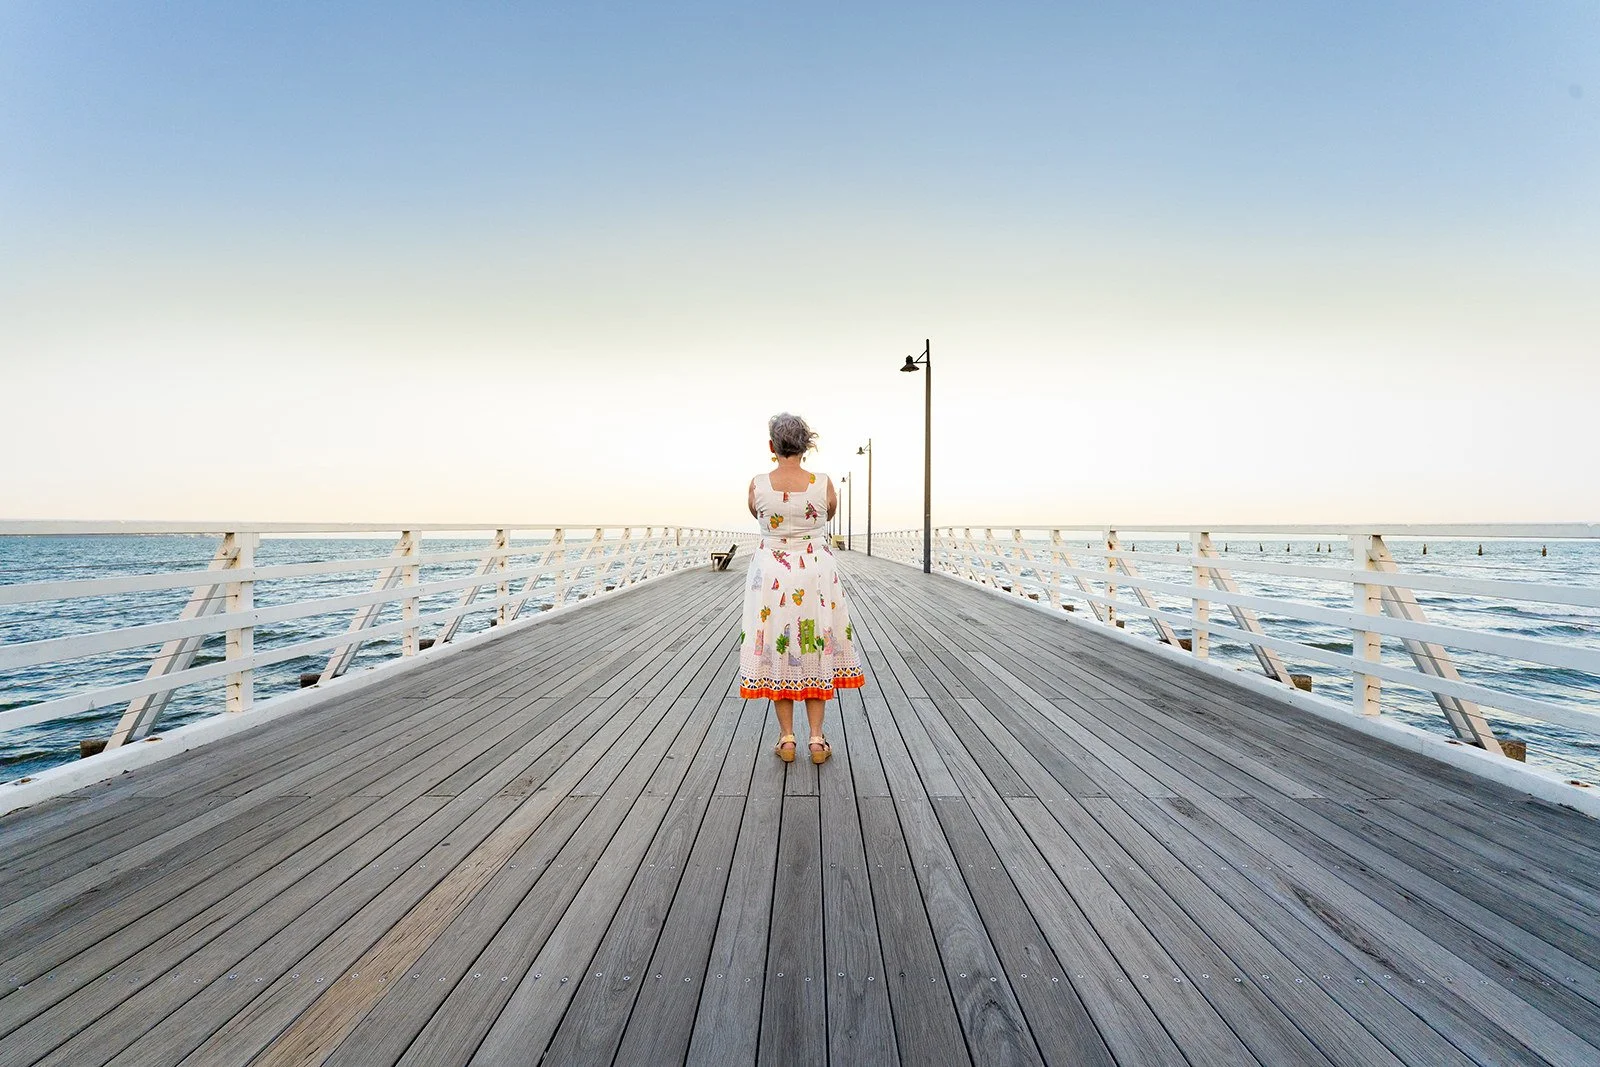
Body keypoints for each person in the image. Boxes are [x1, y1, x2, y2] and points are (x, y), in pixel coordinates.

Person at [738, 413, 866, 764]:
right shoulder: (822, 483)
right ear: (806, 446)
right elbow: (829, 512)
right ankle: (817, 739)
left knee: (780, 644)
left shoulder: (758, 485)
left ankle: (787, 737)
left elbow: (757, 515)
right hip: (815, 572)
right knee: (814, 641)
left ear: (772, 446)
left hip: (771, 572)